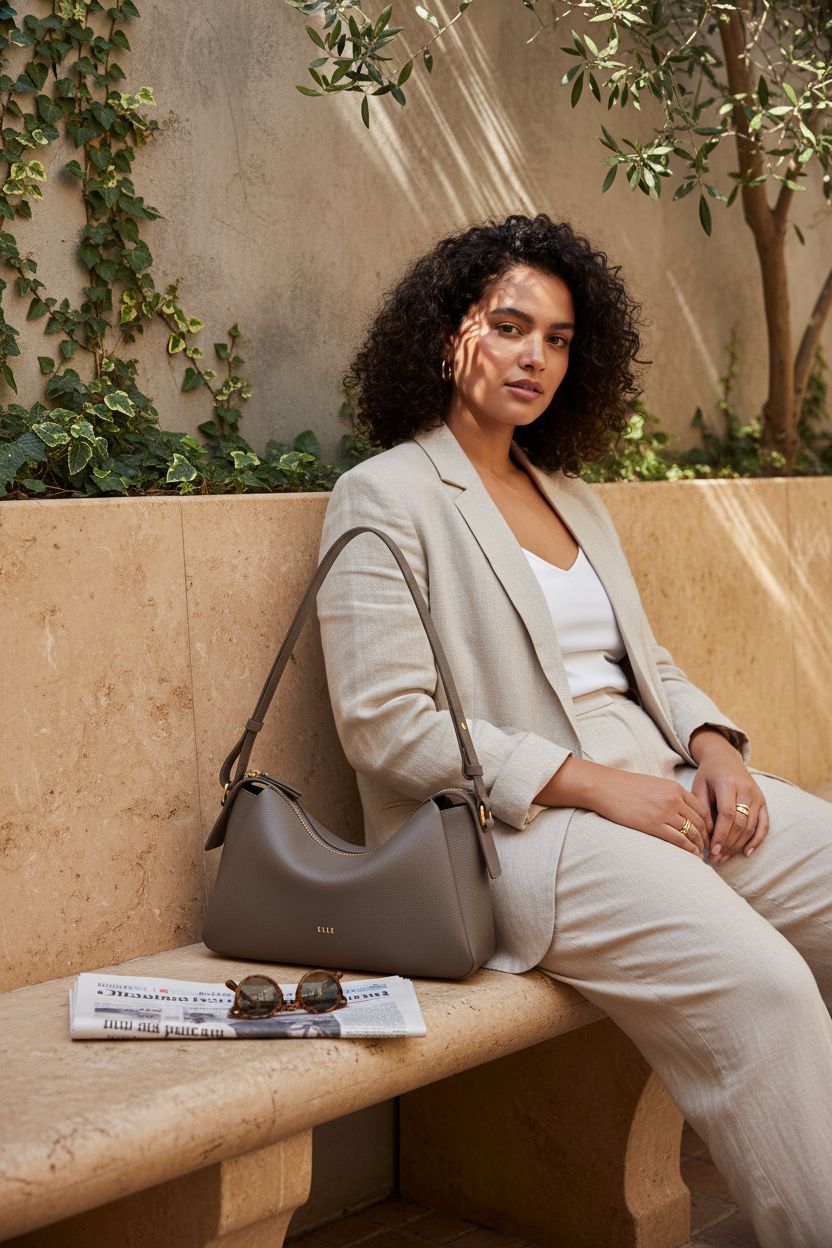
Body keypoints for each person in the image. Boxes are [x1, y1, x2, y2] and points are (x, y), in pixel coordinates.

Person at [315, 213, 832, 1247]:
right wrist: (595, 786)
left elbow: (648, 665)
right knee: (764, 989)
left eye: (557, 338)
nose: (536, 357)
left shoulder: (572, 498)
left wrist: (717, 752)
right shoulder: (383, 496)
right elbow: (387, 726)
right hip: (522, 832)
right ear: (447, 331)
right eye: (510, 326)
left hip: (665, 793)